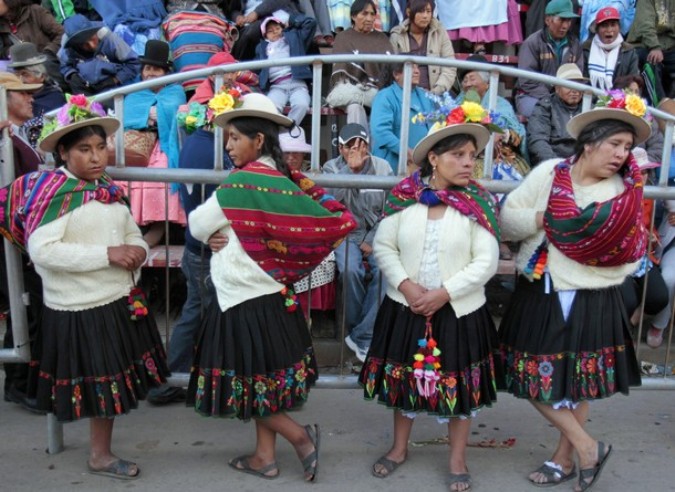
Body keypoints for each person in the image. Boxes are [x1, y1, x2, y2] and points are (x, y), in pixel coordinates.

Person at [186, 93, 355, 481]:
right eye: (227, 139)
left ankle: (300, 438)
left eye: (234, 138)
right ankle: (265, 456)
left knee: (247, 383)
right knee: (263, 381)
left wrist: (215, 228)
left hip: (243, 297)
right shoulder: (284, 180)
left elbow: (197, 224)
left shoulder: (244, 181)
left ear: (258, 141)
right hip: (274, 295)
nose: (228, 146)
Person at [0, 94, 169, 478]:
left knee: (111, 381)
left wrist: (138, 250)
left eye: (100, 148)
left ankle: (101, 452)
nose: (96, 157)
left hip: (116, 300)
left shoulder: (108, 190)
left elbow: (133, 234)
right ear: (63, 153)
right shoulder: (54, 195)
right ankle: (99, 455)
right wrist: (108, 254)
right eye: (84, 150)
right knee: (101, 383)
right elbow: (43, 252)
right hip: (80, 306)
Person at [499, 89, 649, 490]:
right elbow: (508, 220)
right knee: (530, 374)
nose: (621, 154)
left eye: (628, 147)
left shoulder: (621, 195)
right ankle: (588, 446)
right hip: (539, 286)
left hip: (591, 294)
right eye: (615, 144)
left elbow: (631, 252)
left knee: (577, 380)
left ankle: (566, 457)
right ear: (589, 142)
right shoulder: (549, 174)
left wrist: (587, 248)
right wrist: (545, 219)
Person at [359, 99, 503, 492]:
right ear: (434, 159)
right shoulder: (405, 199)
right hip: (406, 307)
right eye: (458, 155)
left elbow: (486, 261)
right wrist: (406, 286)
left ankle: (457, 458)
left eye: (472, 156)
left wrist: (443, 293)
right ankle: (398, 448)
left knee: (459, 386)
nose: (468, 163)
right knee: (406, 379)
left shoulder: (478, 204)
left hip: (457, 310)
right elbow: (384, 247)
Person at [323, 123, 393, 361]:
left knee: (385, 270)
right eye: (348, 146)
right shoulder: (331, 168)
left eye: (359, 146)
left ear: (367, 147)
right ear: (340, 148)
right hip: (343, 232)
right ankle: (357, 333)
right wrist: (350, 175)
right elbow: (330, 206)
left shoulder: (382, 167)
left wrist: (372, 239)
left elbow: (389, 210)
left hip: (376, 231)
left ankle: (361, 336)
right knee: (350, 270)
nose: (354, 151)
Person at [0, 72, 44, 413]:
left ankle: (23, 381)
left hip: (21, 236)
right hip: (9, 239)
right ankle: (17, 384)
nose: (30, 98)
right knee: (22, 307)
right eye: (21, 93)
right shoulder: (3, 142)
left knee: (26, 307)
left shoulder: (15, 137)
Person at [119, 40, 187, 248]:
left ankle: (158, 228)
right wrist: (148, 115)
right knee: (127, 173)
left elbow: (173, 111)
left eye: (156, 69)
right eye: (147, 68)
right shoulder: (135, 93)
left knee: (162, 170)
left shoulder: (175, 91)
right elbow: (127, 116)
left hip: (166, 144)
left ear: (166, 72)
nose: (150, 73)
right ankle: (134, 229)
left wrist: (156, 115)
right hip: (137, 143)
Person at [457, 55, 529, 181]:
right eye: (465, 80)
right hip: (467, 158)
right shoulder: (457, 105)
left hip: (500, 159)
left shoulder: (502, 105)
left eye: (472, 79)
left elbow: (518, 137)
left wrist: (502, 134)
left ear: (487, 83)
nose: (468, 84)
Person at [619, 147, 668, 331]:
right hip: (615, 258)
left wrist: (652, 238)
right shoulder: (612, 194)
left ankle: (628, 327)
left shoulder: (649, 196)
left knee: (659, 297)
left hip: (640, 256)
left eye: (646, 171)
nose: (643, 176)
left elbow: (649, 229)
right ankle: (618, 338)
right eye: (638, 171)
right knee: (627, 299)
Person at [328, 0, 394, 129]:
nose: (369, 18)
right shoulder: (343, 37)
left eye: (372, 14)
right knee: (354, 108)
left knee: (382, 108)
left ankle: (376, 149)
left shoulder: (382, 38)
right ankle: (358, 147)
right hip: (352, 90)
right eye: (364, 14)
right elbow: (342, 73)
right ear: (353, 16)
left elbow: (391, 68)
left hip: (379, 91)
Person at [516, 0, 584, 118]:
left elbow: (578, 76)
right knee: (543, 113)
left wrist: (564, 95)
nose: (565, 25)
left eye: (568, 20)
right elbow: (527, 80)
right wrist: (552, 98)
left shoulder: (575, 44)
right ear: (548, 20)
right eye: (561, 19)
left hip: (565, 97)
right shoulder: (532, 42)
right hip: (531, 96)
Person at [370, 60, 434, 173]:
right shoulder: (385, 96)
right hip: (392, 168)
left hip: (424, 166)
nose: (417, 71)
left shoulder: (425, 96)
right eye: (411, 68)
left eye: (417, 67)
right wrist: (406, 152)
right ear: (396, 74)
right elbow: (380, 132)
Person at [255, 15, 316, 126]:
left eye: (278, 28)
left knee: (302, 104)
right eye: (270, 31)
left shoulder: (294, 38)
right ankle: (277, 135)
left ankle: (288, 130)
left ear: (283, 28)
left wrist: (291, 20)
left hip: (298, 84)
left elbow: (310, 23)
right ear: (265, 35)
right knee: (271, 107)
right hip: (276, 86)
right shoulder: (262, 48)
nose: (275, 32)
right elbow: (256, 68)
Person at [59, 14, 140, 96]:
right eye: (85, 44)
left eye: (92, 39)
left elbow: (135, 62)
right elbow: (64, 66)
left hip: (114, 83)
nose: (92, 45)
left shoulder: (109, 38)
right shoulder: (68, 49)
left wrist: (115, 79)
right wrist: (72, 75)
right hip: (86, 86)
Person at [388, 0, 457, 95]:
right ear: (408, 12)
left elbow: (450, 67)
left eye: (428, 11)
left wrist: (435, 92)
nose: (425, 16)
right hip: (405, 94)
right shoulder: (397, 35)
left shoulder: (440, 32)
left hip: (437, 94)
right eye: (421, 11)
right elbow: (393, 70)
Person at [527, 63, 587, 165]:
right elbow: (538, 141)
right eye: (569, 85)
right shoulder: (545, 106)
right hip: (553, 164)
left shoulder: (590, 106)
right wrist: (557, 165)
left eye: (578, 85)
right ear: (557, 88)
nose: (575, 90)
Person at [0, 0, 64, 86]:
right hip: (19, 67)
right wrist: (11, 51)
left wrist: (48, 52)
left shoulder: (35, 11)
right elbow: (1, 51)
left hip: (46, 60)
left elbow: (61, 34)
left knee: (46, 65)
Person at [626, 0, 674, 100]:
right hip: (643, 44)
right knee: (652, 61)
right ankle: (660, 108)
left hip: (669, 47)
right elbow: (645, 25)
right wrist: (655, 46)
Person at [582, 6, 639, 91]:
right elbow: (583, 80)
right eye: (604, 26)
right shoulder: (586, 49)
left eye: (613, 25)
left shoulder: (629, 51)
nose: (609, 30)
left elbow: (633, 80)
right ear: (597, 29)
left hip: (620, 100)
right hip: (590, 99)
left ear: (619, 28)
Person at [188, 51, 259, 105]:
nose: (230, 77)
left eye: (233, 72)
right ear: (211, 75)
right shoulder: (198, 100)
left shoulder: (245, 91)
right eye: (224, 73)